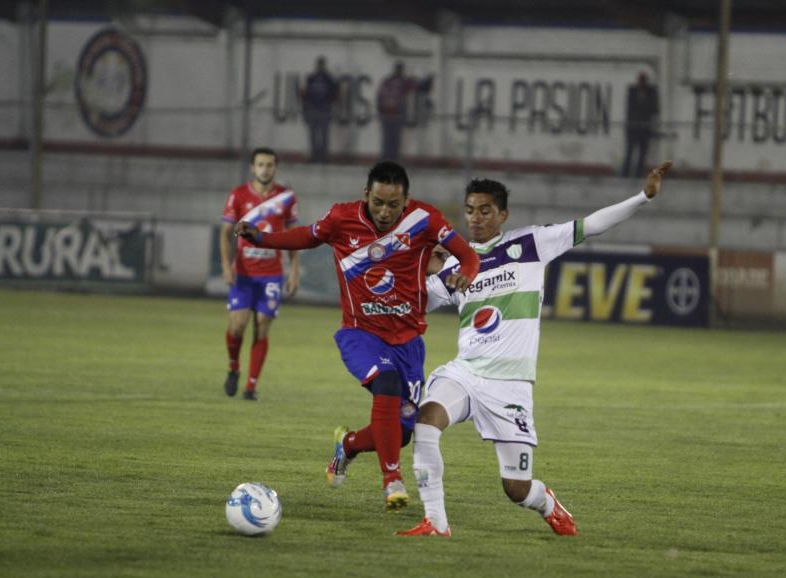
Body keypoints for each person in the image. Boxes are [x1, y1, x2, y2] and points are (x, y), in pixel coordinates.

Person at [397, 161, 673, 537]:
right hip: (466, 373)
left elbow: (591, 225)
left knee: (517, 489)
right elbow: (410, 306)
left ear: (503, 215)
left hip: (510, 385)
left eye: (485, 210)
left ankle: (547, 503)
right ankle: (436, 522)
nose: (475, 218)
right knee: (426, 422)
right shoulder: (455, 268)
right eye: (470, 210)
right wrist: (407, 267)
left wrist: (643, 197)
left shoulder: (530, 244)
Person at [235, 161, 480, 510]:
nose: (384, 211)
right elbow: (307, 236)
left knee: (403, 430)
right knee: (386, 382)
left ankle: (348, 445)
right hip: (359, 333)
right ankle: (392, 480)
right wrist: (262, 237)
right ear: (366, 194)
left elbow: (468, 256)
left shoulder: (425, 219)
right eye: (378, 202)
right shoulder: (342, 218)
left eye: (393, 204)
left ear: (406, 199)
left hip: (408, 341)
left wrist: (466, 274)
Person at [220, 147, 300, 401]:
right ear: (252, 168)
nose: (265, 169)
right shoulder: (238, 195)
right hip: (243, 274)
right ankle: (234, 367)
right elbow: (225, 233)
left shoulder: (285, 198)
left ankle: (251, 386)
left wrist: (294, 271)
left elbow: (293, 237)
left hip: (271, 274)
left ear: (275, 168)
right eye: (260, 165)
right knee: (237, 326)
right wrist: (226, 266)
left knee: (262, 325)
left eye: (269, 165)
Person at [376, 62, 426, 162]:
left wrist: (380, 110)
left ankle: (386, 158)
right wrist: (426, 80)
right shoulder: (404, 82)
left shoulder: (387, 81)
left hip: (386, 115)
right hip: (396, 115)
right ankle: (393, 159)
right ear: (401, 70)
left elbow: (379, 96)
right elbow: (417, 86)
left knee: (387, 139)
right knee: (395, 139)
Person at [621, 72, 660, 178]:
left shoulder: (651, 92)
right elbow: (630, 109)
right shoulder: (632, 91)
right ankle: (626, 172)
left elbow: (655, 109)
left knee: (642, 152)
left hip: (644, 127)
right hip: (633, 126)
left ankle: (638, 172)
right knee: (630, 151)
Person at [302, 56, 337, 163]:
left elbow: (334, 93)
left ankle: (323, 156)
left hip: (324, 109)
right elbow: (306, 95)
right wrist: (306, 110)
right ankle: (314, 156)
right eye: (319, 64)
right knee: (313, 134)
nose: (320, 67)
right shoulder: (311, 78)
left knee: (324, 134)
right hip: (313, 109)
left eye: (322, 64)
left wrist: (328, 103)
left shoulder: (329, 79)